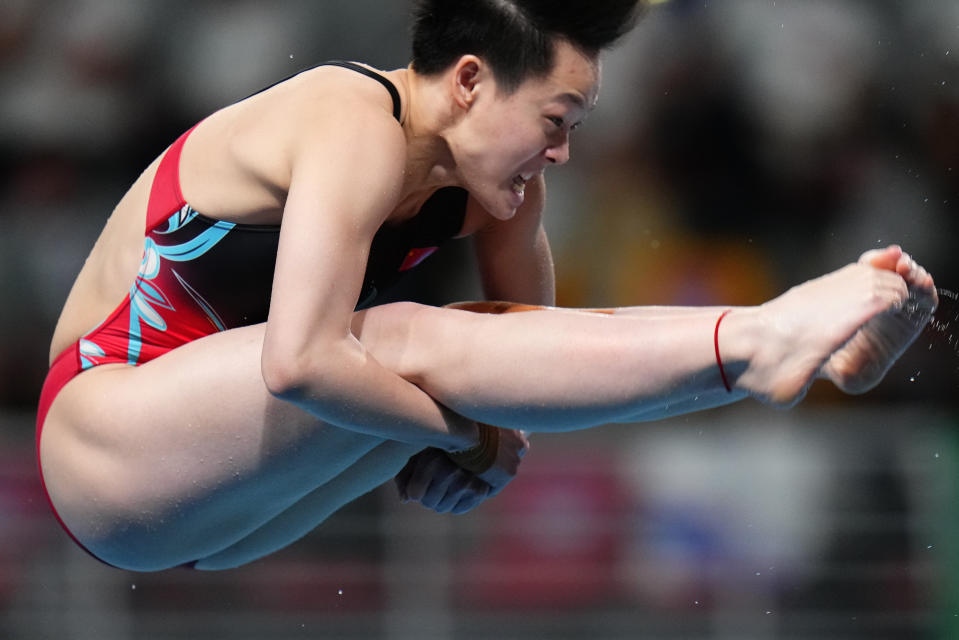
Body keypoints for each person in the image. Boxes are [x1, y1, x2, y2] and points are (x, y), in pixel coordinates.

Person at [36, 0, 937, 572]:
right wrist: (464, 436)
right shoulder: (346, 119)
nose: (562, 151)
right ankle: (755, 344)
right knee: (393, 341)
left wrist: (480, 438)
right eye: (555, 118)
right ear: (469, 81)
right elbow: (301, 365)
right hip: (103, 449)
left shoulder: (502, 190)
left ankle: (778, 349)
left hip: (218, 502)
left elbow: (522, 370)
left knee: (465, 336)